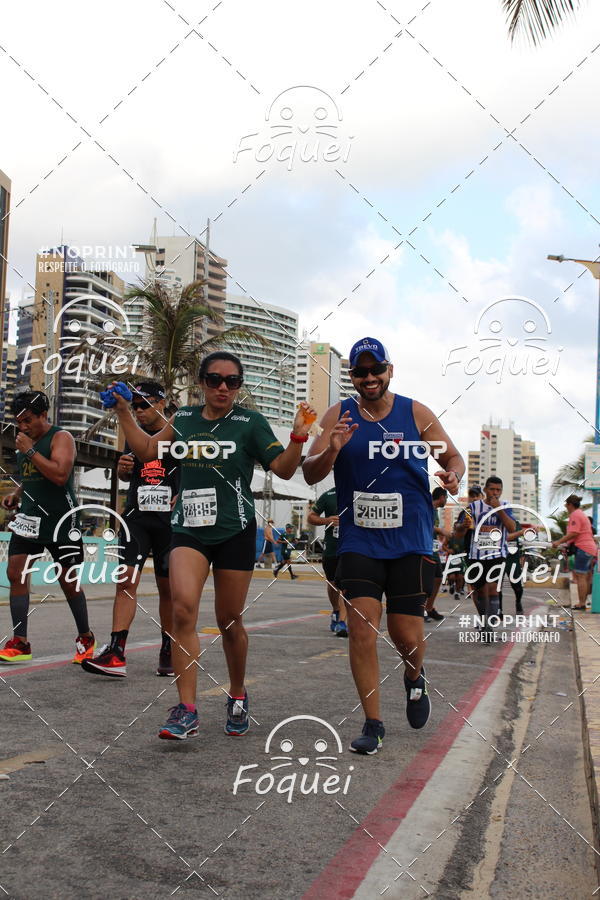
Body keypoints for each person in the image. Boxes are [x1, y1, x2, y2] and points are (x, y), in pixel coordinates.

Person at [104, 352, 316, 740]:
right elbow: (147, 451)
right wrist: (123, 413)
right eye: (215, 379)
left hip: (234, 530)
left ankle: (237, 693)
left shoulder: (250, 423)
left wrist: (298, 436)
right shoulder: (184, 419)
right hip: (189, 529)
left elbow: (284, 469)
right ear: (202, 382)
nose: (223, 387)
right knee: (183, 608)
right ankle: (186, 708)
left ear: (239, 386)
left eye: (232, 382)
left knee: (229, 621)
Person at [303, 337, 464, 754]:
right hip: (359, 539)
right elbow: (309, 472)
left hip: (410, 540)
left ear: (390, 371)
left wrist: (453, 475)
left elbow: (452, 457)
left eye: (376, 370)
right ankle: (373, 723)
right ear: (352, 376)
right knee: (361, 627)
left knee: (405, 634)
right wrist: (332, 450)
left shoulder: (416, 413)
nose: (369, 378)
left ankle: (414, 675)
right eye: (361, 372)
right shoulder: (338, 415)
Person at [82, 382, 179, 678]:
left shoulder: (178, 431)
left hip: (169, 522)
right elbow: (128, 475)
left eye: (144, 405)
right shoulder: (133, 433)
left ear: (161, 403)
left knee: (168, 588)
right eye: (134, 406)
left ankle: (168, 649)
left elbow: (194, 467)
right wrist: (123, 470)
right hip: (137, 519)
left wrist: (183, 492)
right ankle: (116, 652)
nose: (138, 411)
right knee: (125, 581)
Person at [0, 391, 95, 664]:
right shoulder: (25, 441)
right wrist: (17, 493)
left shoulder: (60, 437)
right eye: (19, 421)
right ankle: (20, 642)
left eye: (28, 420)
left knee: (67, 581)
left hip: (61, 520)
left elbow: (59, 474)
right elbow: (33, 475)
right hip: (30, 519)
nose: (22, 426)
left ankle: (86, 637)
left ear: (43, 415)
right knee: (15, 573)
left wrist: (29, 450)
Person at [455, 476, 515, 637]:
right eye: (492, 489)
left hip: (497, 554)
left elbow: (511, 527)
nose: (495, 493)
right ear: (485, 490)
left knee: (493, 588)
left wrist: (499, 510)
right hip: (476, 555)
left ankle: (489, 627)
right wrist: (463, 526)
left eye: (498, 490)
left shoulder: (505, 506)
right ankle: (484, 621)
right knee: (480, 591)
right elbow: (458, 533)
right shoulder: (473, 507)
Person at [307, 487, 348, 636]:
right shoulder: (328, 495)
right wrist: (327, 520)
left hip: (351, 546)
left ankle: (342, 622)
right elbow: (311, 517)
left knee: (345, 584)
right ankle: (336, 610)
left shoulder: (359, 491)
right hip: (331, 547)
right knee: (333, 584)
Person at [552, 495, 598, 609]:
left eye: (566, 504)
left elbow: (574, 533)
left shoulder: (575, 515)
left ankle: (581, 603)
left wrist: (558, 542)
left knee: (580, 576)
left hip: (583, 548)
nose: (565, 507)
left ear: (570, 504)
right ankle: (583, 602)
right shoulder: (581, 514)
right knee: (585, 576)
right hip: (589, 548)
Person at [425, 487, 449, 623]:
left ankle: (429, 607)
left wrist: (442, 540)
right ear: (441, 497)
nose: (446, 500)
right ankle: (421, 609)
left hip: (433, 549)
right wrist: (442, 531)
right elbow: (426, 524)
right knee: (426, 581)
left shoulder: (436, 511)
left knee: (438, 578)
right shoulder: (428, 507)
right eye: (446, 498)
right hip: (424, 548)